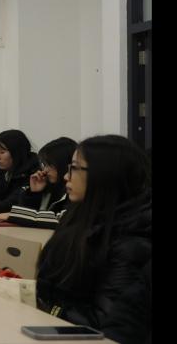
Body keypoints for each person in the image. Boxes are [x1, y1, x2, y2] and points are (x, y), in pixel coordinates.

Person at [36, 135, 151, 344]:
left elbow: (104, 323)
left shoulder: (134, 240)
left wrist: (48, 307)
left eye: (74, 168)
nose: (66, 176)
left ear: (104, 175)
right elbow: (49, 285)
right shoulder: (78, 217)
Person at [0, 137, 77, 227]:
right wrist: (33, 194)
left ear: (64, 165)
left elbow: (60, 219)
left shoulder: (75, 192)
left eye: (50, 165)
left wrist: (15, 215)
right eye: (44, 165)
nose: (45, 170)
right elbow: (29, 218)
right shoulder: (47, 185)